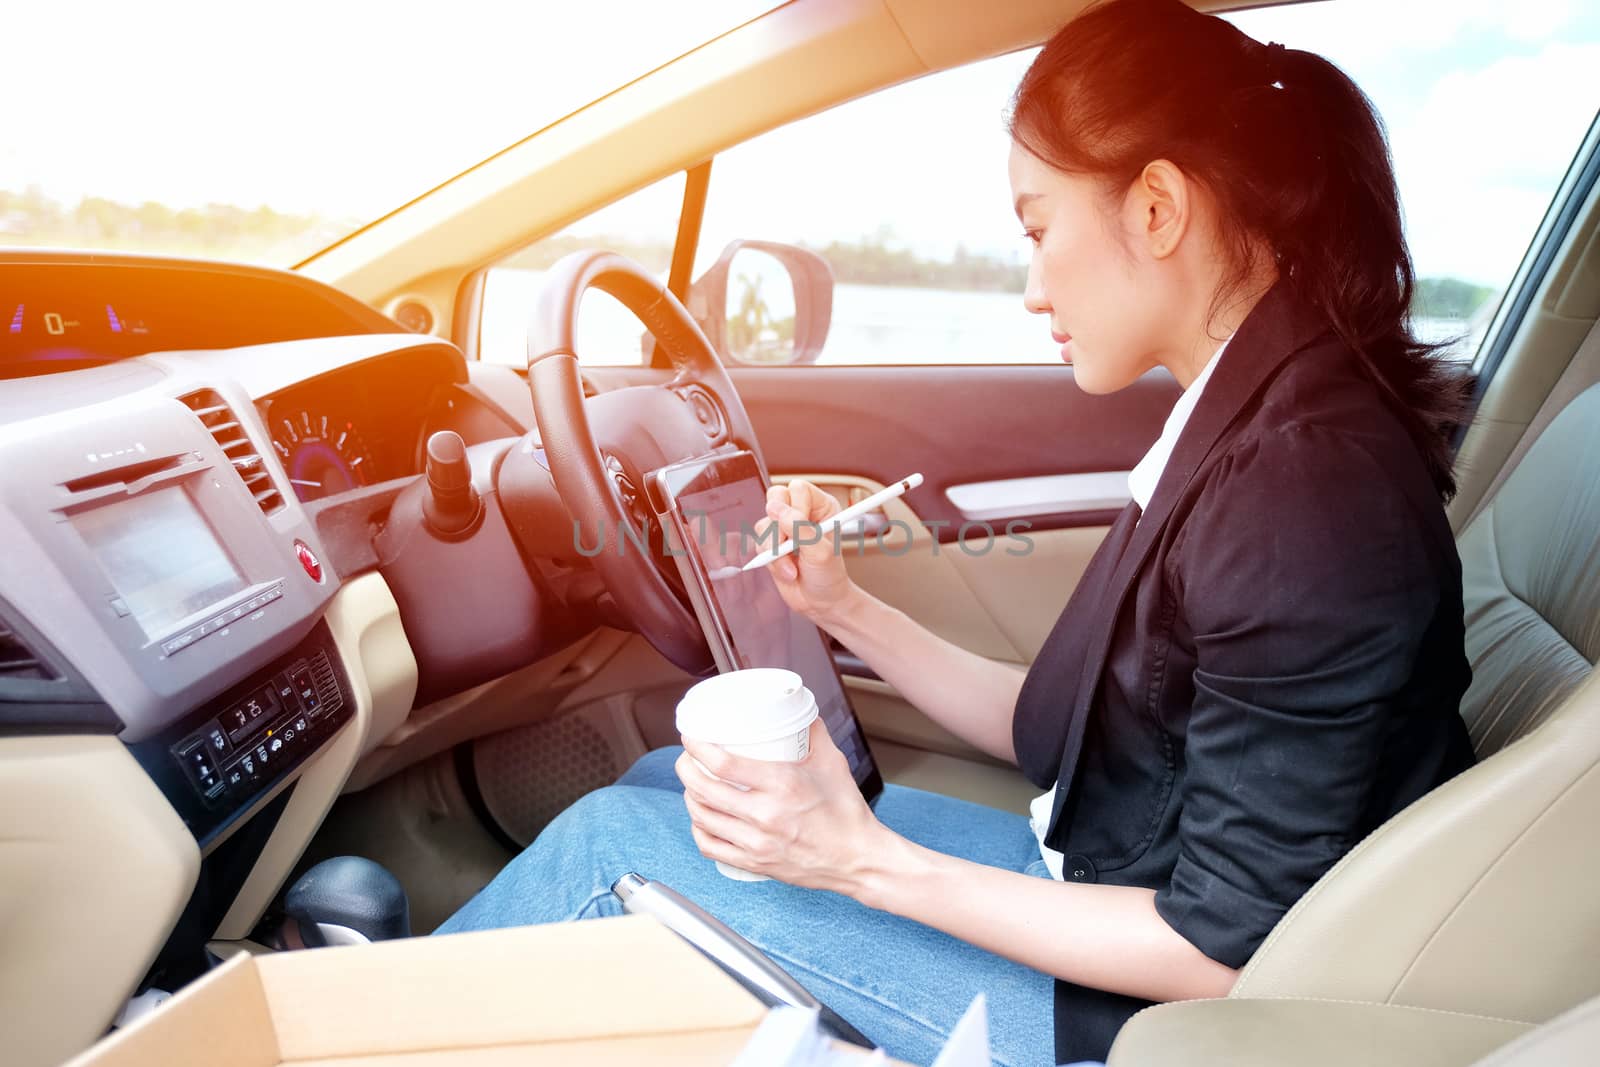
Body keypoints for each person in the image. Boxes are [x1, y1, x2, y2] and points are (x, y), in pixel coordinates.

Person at [436, 0, 1477, 1063]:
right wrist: (843, 607)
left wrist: (860, 860)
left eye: (1036, 228)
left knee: (611, 849)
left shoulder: (1300, 487)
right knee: (667, 786)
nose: (1029, 288)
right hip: (1097, 888)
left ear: (1157, 207)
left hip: (1138, 1016)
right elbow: (1050, 730)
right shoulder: (1243, 418)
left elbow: (1223, 945)